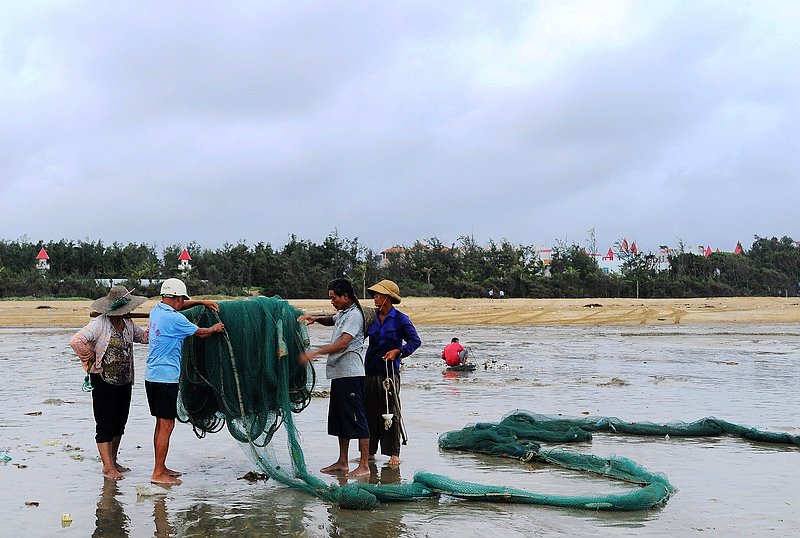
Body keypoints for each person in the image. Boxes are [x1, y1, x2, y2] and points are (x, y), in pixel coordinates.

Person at [145, 278, 224, 484]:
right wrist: (215, 328)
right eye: (182, 300)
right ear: (177, 298)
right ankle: (157, 474)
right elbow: (201, 333)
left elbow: (178, 305)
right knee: (167, 425)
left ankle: (161, 467)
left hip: (152, 376)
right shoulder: (175, 320)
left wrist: (200, 303)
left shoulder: (157, 310)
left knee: (161, 424)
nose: (182, 303)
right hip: (166, 378)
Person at [70, 286, 149, 480]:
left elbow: (144, 338)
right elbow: (76, 340)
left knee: (119, 423)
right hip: (103, 380)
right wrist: (90, 358)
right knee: (105, 424)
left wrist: (160, 326)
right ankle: (107, 467)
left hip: (124, 380)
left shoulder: (128, 324)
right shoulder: (99, 324)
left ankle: (113, 461)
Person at [297, 278, 370, 477]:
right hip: (339, 374)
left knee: (358, 419)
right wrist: (315, 318)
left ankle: (364, 465)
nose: (332, 302)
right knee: (340, 419)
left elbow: (343, 343)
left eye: (334, 298)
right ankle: (343, 461)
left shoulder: (355, 316)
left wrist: (315, 353)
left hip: (351, 374)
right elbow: (332, 319)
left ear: (345, 296)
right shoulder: (344, 313)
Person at [364, 280, 420, 465]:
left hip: (389, 373)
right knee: (369, 412)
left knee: (390, 412)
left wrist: (399, 351)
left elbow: (415, 341)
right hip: (370, 371)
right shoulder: (371, 317)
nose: (375, 297)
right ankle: (370, 452)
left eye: (378, 294)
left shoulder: (400, 319)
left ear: (387, 298)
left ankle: (393, 453)